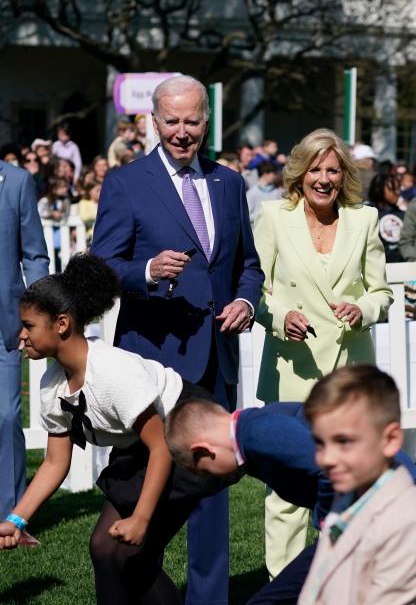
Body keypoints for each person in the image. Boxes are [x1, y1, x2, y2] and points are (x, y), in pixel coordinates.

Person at [91, 74, 264, 605]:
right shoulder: (126, 183)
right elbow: (98, 267)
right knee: (141, 505)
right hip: (153, 369)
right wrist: (144, 271)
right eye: (172, 121)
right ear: (154, 121)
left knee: (209, 496)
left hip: (216, 366)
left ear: (206, 121)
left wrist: (246, 302)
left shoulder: (229, 183)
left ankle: (209, 599)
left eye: (192, 121)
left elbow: (248, 266)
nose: (182, 132)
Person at [0, 254, 224, 604]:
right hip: (143, 447)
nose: (20, 335)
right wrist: (17, 519)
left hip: (185, 433)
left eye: (28, 325)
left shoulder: (112, 373)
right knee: (114, 553)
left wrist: (141, 518)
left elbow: (163, 446)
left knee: (114, 550)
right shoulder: (51, 385)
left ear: (61, 324)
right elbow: (55, 463)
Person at [252, 128, 393, 581]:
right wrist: (278, 318)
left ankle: (349, 578)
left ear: (345, 175)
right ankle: (284, 584)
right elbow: (253, 292)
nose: (324, 178)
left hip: (349, 373)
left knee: (353, 479)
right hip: (292, 369)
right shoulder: (273, 217)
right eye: (316, 168)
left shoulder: (364, 220)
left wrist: (363, 307)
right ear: (300, 172)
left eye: (333, 170)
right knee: (287, 486)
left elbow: (383, 293)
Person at [164, 396, 416, 604]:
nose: (212, 480)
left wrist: (327, 521)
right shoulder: (253, 432)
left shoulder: (257, 431)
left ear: (204, 451)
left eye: (203, 472)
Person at [298, 366, 416, 604]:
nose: (326, 459)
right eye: (320, 443)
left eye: (344, 441)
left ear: (390, 440)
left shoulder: (407, 524)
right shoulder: (349, 495)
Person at [0, 157, 48, 538]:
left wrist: (40, 312)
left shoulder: (16, 181)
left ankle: (13, 517)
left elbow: (34, 253)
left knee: (7, 417)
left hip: (6, 322)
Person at [366, 172, 405, 263]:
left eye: (398, 188)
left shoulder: (403, 214)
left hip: (402, 268)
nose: (397, 192)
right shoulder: (367, 213)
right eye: (392, 188)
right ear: (378, 189)